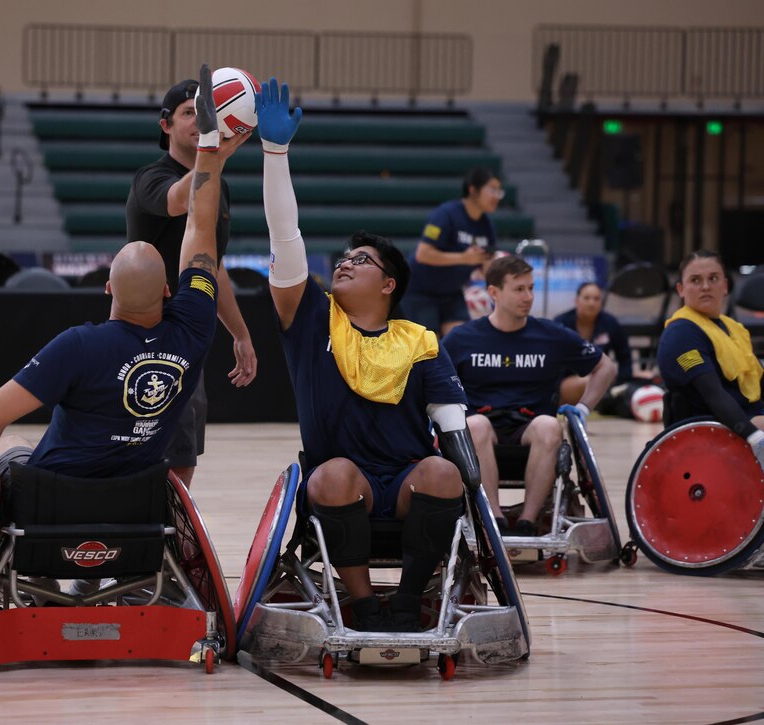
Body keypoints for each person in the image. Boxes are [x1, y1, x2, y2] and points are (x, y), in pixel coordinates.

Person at [258, 77, 477, 632]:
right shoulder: (311, 317)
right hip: (340, 482)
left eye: (362, 260)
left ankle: (406, 600)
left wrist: (470, 475)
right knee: (332, 474)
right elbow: (286, 239)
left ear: (388, 286)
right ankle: (362, 602)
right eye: (346, 257)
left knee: (443, 472)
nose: (346, 263)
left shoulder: (421, 339)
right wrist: (275, 154)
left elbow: (452, 422)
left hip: (404, 483)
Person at [0, 63, 226, 497]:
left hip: (56, 507)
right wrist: (214, 146)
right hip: (135, 504)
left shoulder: (77, 345)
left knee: (11, 442)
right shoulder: (194, 331)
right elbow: (200, 231)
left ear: (107, 289)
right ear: (165, 290)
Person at [125, 77, 257, 486]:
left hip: (190, 331)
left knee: (183, 457)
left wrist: (239, 333)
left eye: (206, 113)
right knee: (148, 450)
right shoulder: (151, 176)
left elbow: (212, 266)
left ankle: (173, 541)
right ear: (165, 125)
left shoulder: (221, 185)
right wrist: (214, 154)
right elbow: (181, 199)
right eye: (190, 113)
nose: (200, 121)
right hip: (145, 331)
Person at [443, 255, 616, 536]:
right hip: (483, 430)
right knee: (474, 425)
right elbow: (430, 376)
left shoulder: (550, 334)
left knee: (550, 425)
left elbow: (604, 366)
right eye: (519, 289)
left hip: (530, 428)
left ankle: (527, 521)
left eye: (531, 288)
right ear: (494, 293)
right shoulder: (462, 338)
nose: (528, 296)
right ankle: (493, 518)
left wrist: (583, 408)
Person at [657, 251, 764, 469]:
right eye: (695, 280)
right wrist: (755, 437)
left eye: (713, 279)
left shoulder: (735, 329)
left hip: (746, 419)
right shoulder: (681, 333)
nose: (705, 286)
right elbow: (713, 396)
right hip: (710, 429)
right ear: (681, 289)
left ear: (725, 286)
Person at [402, 167, 502, 338]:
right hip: (420, 291)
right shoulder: (446, 214)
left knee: (459, 342)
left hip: (452, 293)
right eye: (492, 189)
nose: (497, 196)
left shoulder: (486, 226)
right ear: (472, 189)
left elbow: (488, 268)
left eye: (500, 191)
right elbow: (423, 254)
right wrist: (464, 258)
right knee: (429, 348)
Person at [554, 281, 640, 408]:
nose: (591, 303)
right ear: (577, 300)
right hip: (566, 382)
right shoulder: (561, 323)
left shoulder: (610, 323)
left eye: (596, 299)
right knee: (590, 380)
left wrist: (623, 381)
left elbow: (624, 355)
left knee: (609, 374)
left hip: (600, 377)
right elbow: (552, 360)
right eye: (587, 298)